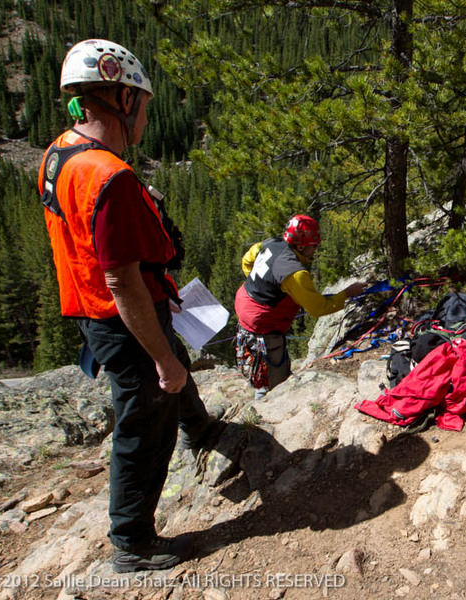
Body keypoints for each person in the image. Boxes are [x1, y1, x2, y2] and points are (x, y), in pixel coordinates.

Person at [39, 39, 217, 573]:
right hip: (121, 317)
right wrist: (160, 358)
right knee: (145, 413)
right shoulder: (108, 177)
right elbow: (123, 281)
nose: (145, 119)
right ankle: (132, 542)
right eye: (143, 104)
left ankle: (201, 429)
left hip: (93, 308)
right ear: (122, 100)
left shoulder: (60, 154)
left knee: (173, 374)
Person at [234, 215, 368, 398]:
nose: (316, 249)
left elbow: (247, 261)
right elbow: (318, 308)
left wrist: (263, 284)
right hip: (264, 325)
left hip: (245, 307)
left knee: (262, 365)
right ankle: (266, 405)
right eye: (314, 246)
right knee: (272, 381)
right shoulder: (295, 273)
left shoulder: (268, 244)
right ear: (302, 246)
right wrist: (347, 294)